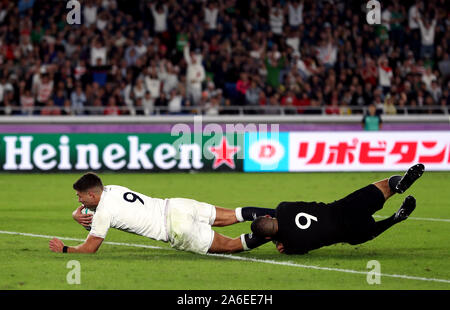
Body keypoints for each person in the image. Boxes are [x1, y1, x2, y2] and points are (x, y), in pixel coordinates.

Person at [48, 173, 275, 255]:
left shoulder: (103, 212)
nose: (78, 200)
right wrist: (78, 216)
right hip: (177, 205)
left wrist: (66, 249)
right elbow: (95, 215)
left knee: (232, 246)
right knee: (234, 214)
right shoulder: (113, 189)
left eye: (80, 196)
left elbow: (90, 247)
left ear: (91, 195)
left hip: (175, 229)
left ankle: (275, 232)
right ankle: (278, 215)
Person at [250, 164, 425, 255]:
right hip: (344, 208)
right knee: (385, 185)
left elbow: (298, 250)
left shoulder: (291, 245)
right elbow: (287, 217)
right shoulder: (283, 207)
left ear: (267, 237)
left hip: (352, 233)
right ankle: (399, 185)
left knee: (368, 233)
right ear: (268, 215)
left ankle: (395, 218)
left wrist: (280, 244)